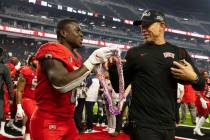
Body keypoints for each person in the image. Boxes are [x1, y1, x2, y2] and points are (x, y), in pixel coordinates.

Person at [108, 9, 205, 140]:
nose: (143, 29)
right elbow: (118, 87)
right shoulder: (134, 53)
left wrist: (193, 77)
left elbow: (201, 85)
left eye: (147, 25)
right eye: (142, 26)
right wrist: (113, 67)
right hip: (142, 124)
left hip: (168, 124)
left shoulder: (179, 52)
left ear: (162, 25)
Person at [30, 18, 117, 140]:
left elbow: (77, 79)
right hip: (49, 118)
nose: (81, 34)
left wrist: (99, 67)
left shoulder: (77, 56)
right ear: (63, 33)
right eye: (77, 31)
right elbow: (60, 84)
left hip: (68, 119)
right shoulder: (52, 49)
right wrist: (91, 61)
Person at [15, 55, 37, 140]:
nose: (38, 62)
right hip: (27, 98)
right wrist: (19, 106)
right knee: (32, 116)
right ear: (31, 62)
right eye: (36, 60)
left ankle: (27, 133)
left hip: (38, 100)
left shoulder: (43, 72)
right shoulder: (26, 71)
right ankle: (27, 134)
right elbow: (19, 90)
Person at [0, 48, 14, 136]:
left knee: (1, 114)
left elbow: (9, 83)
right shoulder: (4, 67)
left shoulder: (4, 68)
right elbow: (9, 83)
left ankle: (1, 130)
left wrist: (11, 97)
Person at [193, 71, 210, 136]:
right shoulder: (200, 82)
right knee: (205, 114)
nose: (207, 75)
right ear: (202, 75)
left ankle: (196, 129)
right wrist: (202, 99)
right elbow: (197, 92)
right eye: (205, 74)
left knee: (201, 114)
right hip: (201, 99)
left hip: (205, 99)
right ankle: (197, 129)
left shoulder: (206, 81)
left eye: (207, 74)